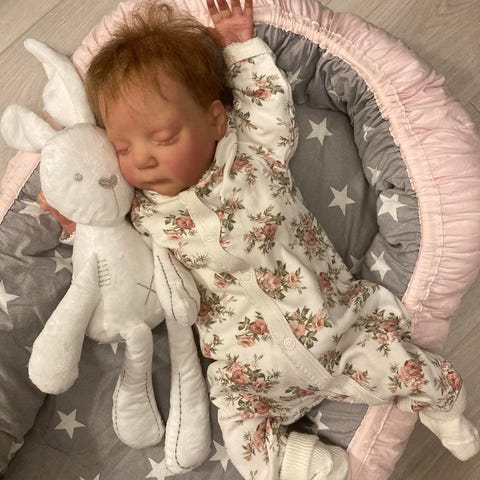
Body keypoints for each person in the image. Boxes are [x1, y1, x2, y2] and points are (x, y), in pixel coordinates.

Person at [83, 1, 480, 479]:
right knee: (239, 433)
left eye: (163, 137)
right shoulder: (144, 214)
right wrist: (75, 211)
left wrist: (240, 47)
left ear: (215, 120)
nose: (142, 159)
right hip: (249, 372)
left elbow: (266, 101)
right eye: (123, 147)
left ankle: (443, 404)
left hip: (337, 327)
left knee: (401, 363)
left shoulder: (252, 155)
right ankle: (301, 462)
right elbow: (108, 237)